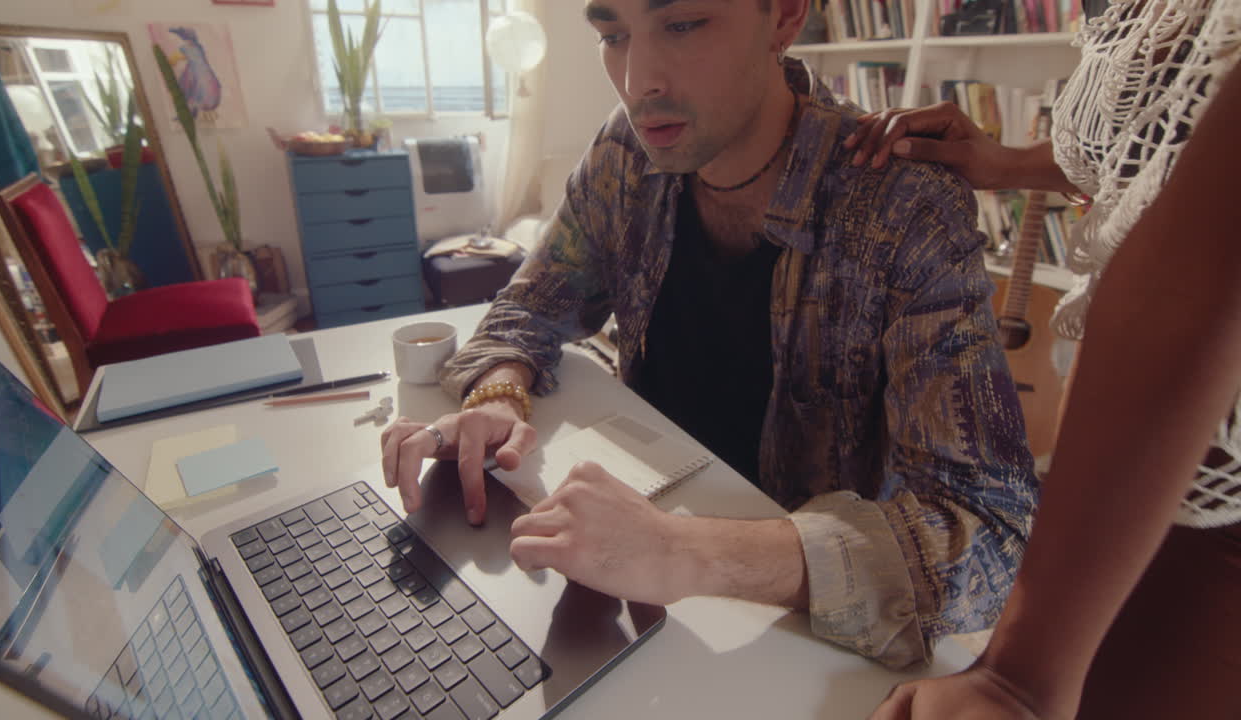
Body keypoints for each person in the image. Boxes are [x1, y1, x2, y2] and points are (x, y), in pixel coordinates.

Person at [381, 0, 1038, 669]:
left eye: (683, 24)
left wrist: (685, 552)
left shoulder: (903, 206)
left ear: (783, 18)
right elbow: (531, 304)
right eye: (613, 36)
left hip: (803, 631)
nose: (638, 81)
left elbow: (991, 534)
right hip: (637, 577)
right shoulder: (625, 155)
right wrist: (498, 393)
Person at [849, 0, 1241, 716]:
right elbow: (1158, 148)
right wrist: (1006, 164)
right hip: (1131, 453)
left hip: (1209, 477)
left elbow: (1213, 244)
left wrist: (1020, 678)